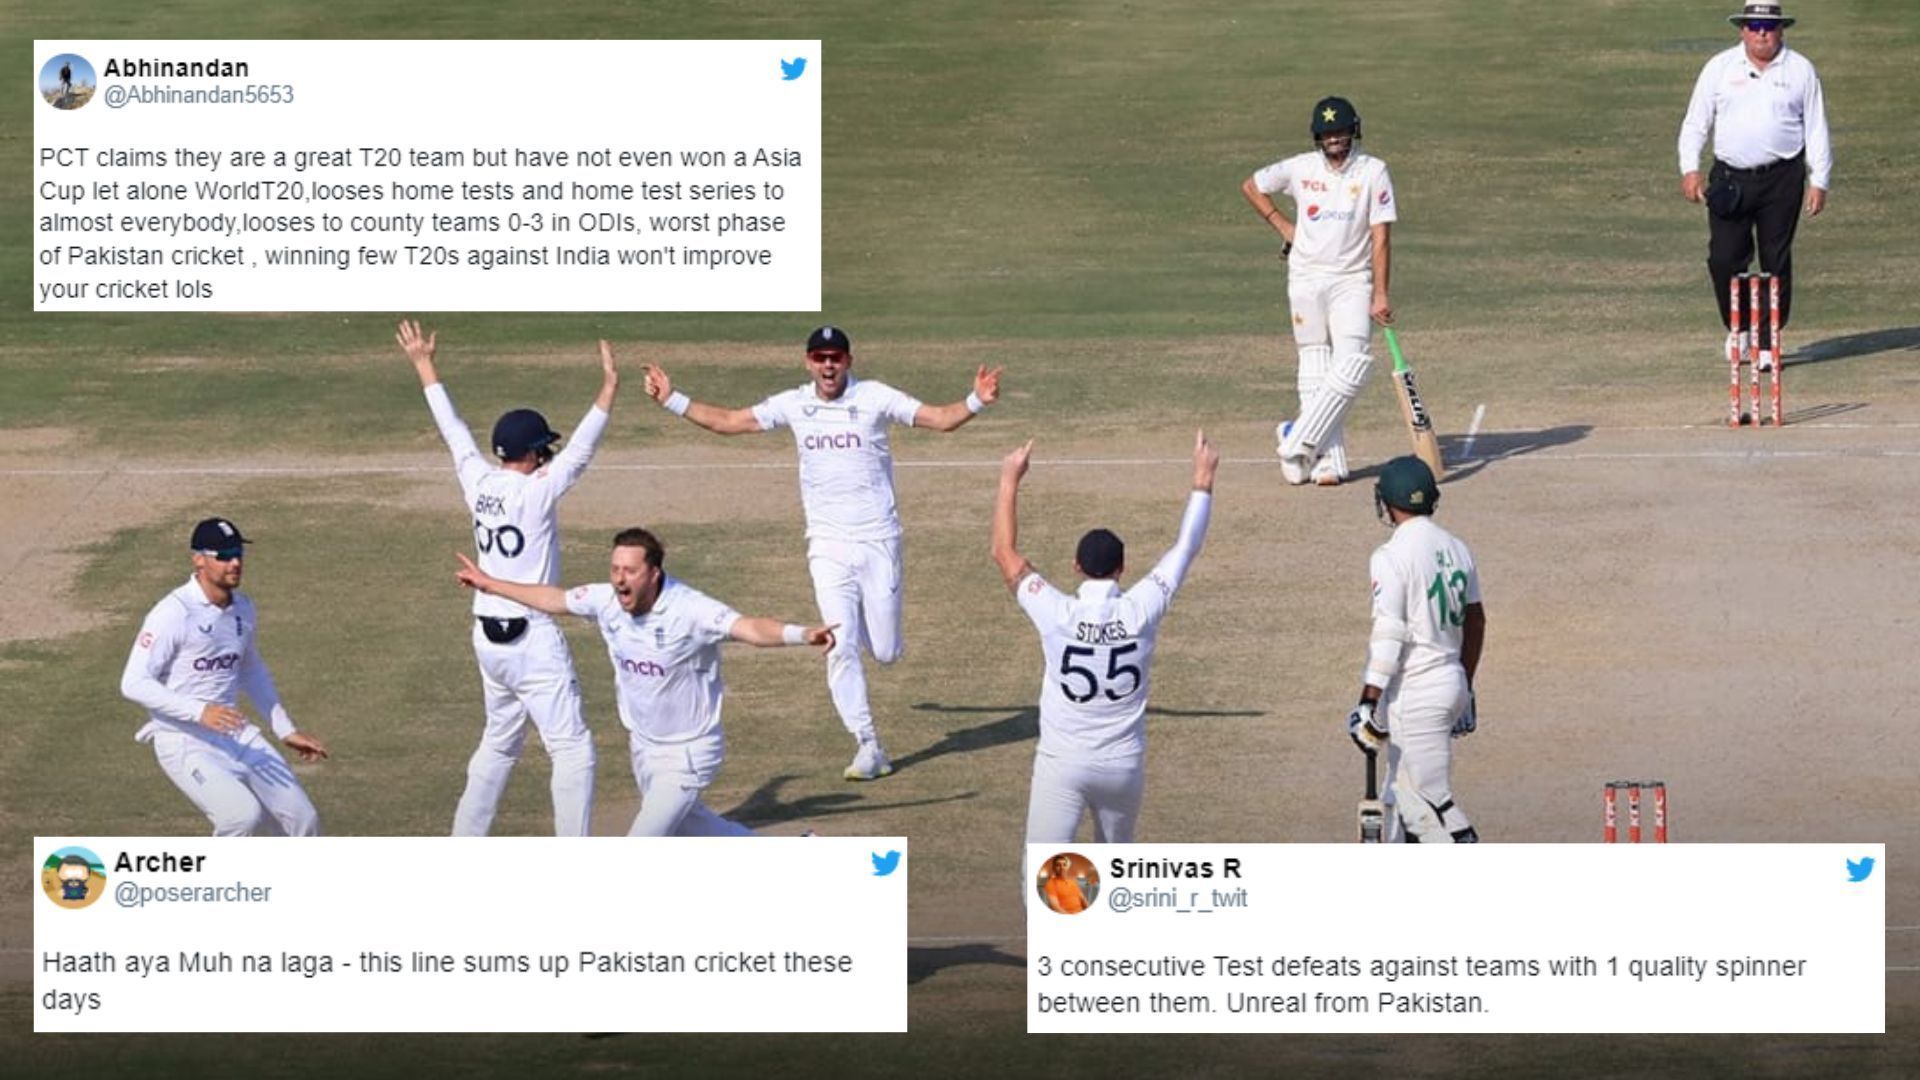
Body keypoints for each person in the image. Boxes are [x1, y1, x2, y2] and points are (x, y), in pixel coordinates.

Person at [644, 326, 1003, 781]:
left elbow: (939, 419)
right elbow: (730, 422)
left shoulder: (875, 397)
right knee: (838, 644)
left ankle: (871, 636)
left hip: (879, 541)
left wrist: (975, 400)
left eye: (835, 357)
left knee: (887, 651)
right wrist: (671, 399)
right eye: (820, 357)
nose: (828, 365)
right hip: (827, 546)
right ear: (807, 362)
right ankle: (868, 744)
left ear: (848, 361)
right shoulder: (794, 404)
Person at [454, 528, 836, 836]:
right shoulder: (605, 600)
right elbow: (555, 599)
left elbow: (750, 628)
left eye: (630, 571)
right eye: (615, 569)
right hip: (644, 748)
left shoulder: (690, 610)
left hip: (689, 752)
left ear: (653, 573)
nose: (620, 579)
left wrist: (801, 634)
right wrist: (491, 585)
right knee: (694, 826)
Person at [397, 319, 617, 836]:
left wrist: (424, 365)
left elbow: (454, 434)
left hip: (487, 638)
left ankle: (464, 842)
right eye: (545, 449)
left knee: (499, 742)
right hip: (531, 635)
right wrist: (607, 391)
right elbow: (582, 451)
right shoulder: (537, 490)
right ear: (535, 452)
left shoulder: (479, 481)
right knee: (572, 747)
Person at [992, 431, 1217, 843]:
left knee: (1045, 875)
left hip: (1062, 764)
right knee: (1116, 873)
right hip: (1122, 766)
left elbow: (1004, 553)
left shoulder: (1057, 612)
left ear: (1076, 567)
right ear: (1123, 567)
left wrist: (1010, 479)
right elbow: (1186, 547)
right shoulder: (1141, 610)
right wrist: (1202, 480)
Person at [120, 517, 329, 836]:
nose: (235, 562)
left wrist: (285, 729)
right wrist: (199, 712)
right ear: (198, 559)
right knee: (240, 818)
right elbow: (133, 682)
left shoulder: (243, 609)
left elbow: (250, 668)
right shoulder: (174, 613)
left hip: (236, 734)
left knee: (303, 819)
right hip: (183, 740)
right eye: (224, 554)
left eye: (238, 553)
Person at [1241, 95, 1398, 486]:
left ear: (1353, 132)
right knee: (1314, 361)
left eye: (1341, 132)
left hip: (1352, 280)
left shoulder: (1373, 171)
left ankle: (1298, 436)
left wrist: (1381, 292)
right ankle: (1326, 458)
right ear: (1318, 137)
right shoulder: (1300, 168)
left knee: (1353, 364)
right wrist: (1284, 226)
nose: (1335, 140)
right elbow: (1252, 185)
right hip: (1306, 277)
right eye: (1328, 134)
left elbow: (1381, 236)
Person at [1678, 2, 1831, 369]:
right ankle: (1739, 329)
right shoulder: (1719, 67)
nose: (1761, 32)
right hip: (1730, 177)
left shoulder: (1800, 70)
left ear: (1781, 30)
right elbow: (1696, 122)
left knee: (1775, 259)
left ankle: (1767, 341)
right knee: (1724, 258)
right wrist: (1690, 168)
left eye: (1769, 26)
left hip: (1782, 176)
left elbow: (1816, 126)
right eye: (1754, 25)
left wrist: (1819, 179)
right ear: (1742, 30)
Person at [1345, 457, 1484, 843]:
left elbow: (1390, 632)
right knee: (1406, 795)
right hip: (1449, 682)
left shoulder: (1389, 556)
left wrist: (1368, 702)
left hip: (1415, 693)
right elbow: (1476, 622)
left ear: (1387, 503)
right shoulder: (1458, 549)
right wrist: (1465, 684)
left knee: (1428, 805)